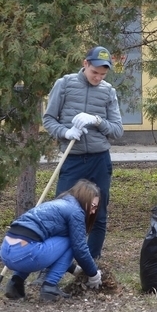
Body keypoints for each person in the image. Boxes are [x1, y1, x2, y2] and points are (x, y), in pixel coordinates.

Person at [42, 46, 123, 262]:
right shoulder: (65, 84)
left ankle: (90, 264)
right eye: (94, 72)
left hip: (99, 160)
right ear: (85, 64)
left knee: (98, 214)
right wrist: (66, 132)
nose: (98, 78)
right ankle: (55, 264)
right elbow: (48, 119)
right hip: (73, 159)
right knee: (61, 212)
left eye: (103, 74)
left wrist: (97, 120)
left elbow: (117, 130)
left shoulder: (108, 92)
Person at [1, 179, 103, 302]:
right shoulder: (76, 211)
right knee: (71, 241)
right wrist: (93, 274)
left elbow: (53, 249)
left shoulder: (56, 204)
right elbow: (79, 248)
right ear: (84, 199)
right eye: (93, 206)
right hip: (27, 254)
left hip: (6, 251)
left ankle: (15, 283)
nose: (93, 211)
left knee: (37, 243)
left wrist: (73, 269)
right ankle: (50, 286)